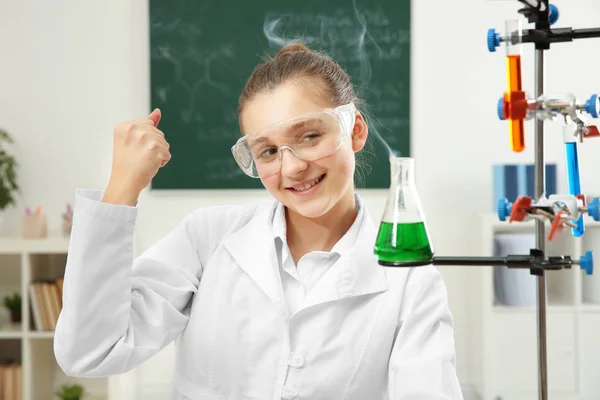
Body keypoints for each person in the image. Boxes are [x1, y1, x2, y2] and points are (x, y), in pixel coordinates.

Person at [54, 42, 464, 400]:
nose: (292, 167)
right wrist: (122, 190)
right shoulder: (208, 239)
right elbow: (90, 352)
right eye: (267, 151)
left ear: (354, 130)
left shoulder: (409, 279)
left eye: (309, 137)